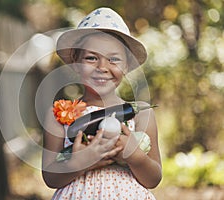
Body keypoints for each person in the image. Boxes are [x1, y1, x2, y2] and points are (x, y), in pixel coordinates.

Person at [42, 7, 162, 199]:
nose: (102, 67)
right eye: (91, 58)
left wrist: (133, 155)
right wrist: (79, 162)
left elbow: (154, 178)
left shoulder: (141, 114)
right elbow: (50, 176)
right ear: (76, 61)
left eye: (113, 59)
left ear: (127, 65)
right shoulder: (59, 114)